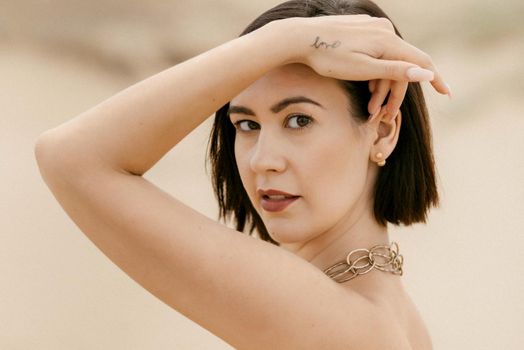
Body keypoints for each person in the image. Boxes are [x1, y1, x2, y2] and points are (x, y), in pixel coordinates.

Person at [34, 0, 450, 348]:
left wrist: (285, 39)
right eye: (246, 125)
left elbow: (71, 158)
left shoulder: (336, 321)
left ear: (382, 131)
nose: (261, 160)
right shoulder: (387, 315)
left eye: (298, 120)